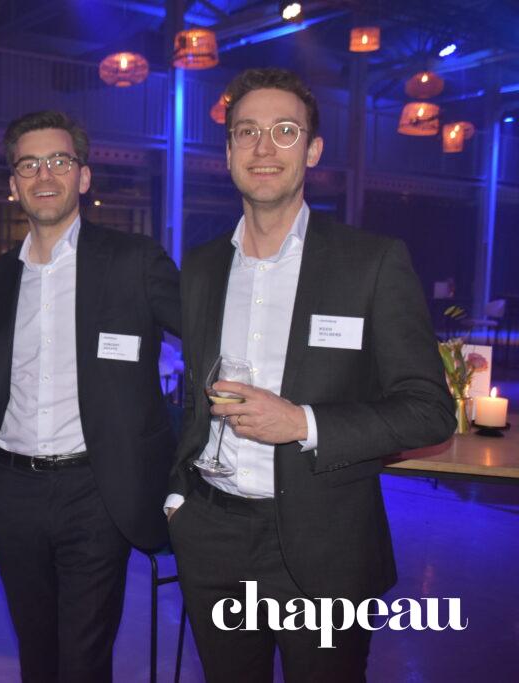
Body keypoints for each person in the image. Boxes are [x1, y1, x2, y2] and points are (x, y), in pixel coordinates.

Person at [166, 67, 456, 682]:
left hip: (326, 543)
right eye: (247, 132)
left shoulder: (370, 262)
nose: (264, 148)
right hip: (212, 536)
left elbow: (429, 410)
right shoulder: (202, 266)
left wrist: (302, 422)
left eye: (285, 131)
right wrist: (177, 500)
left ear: (314, 150)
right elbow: (192, 397)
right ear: (228, 152)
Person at [0, 110, 182, 682]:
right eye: (29, 164)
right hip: (11, 490)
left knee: (84, 659)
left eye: (59, 161)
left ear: (84, 177)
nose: (45, 175)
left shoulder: (133, 261)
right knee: (36, 651)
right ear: (13, 184)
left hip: (97, 491)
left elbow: (208, 335)